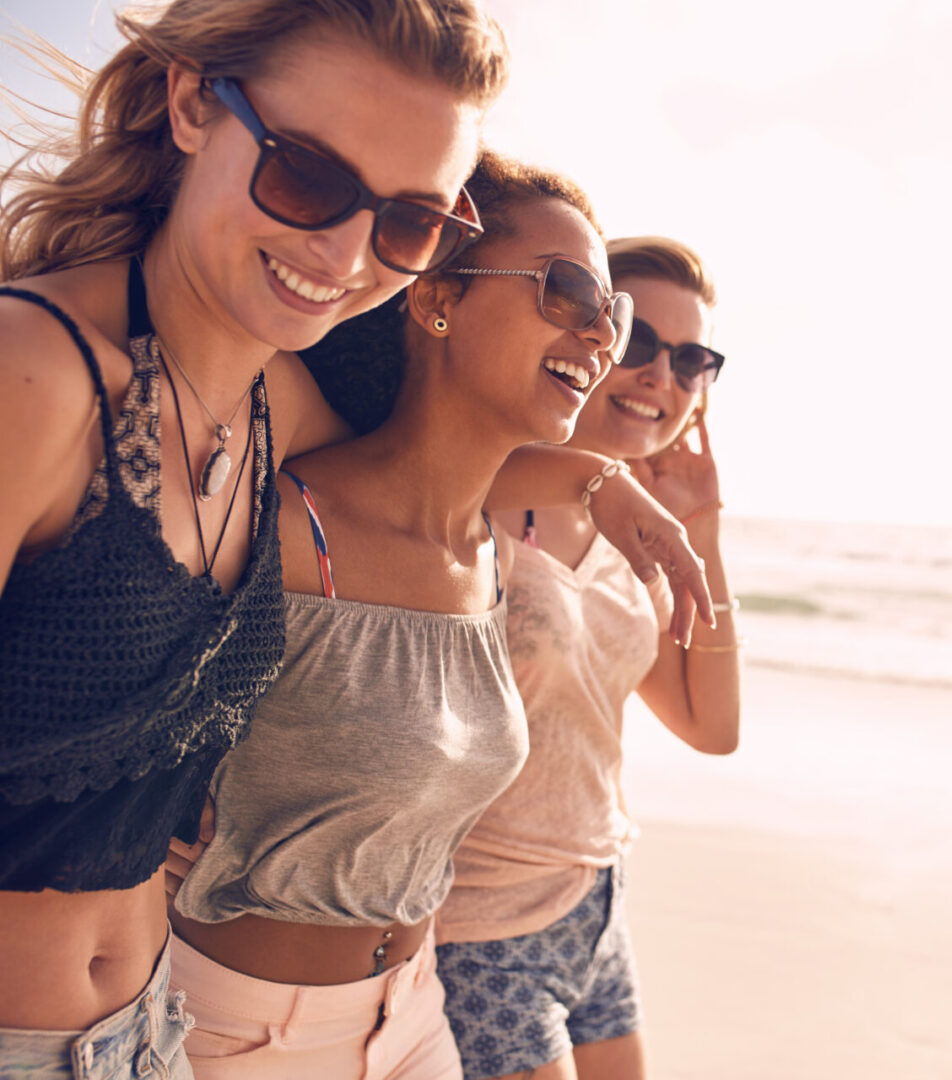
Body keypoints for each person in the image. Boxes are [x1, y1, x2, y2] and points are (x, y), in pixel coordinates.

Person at [0, 1, 505, 1075]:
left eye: (409, 223)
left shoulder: (279, 397)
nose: (347, 252)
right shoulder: (33, 375)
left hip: (150, 1034)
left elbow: (446, 450)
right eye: (309, 178)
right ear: (191, 103)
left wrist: (632, 494)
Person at [164, 153, 711, 1080]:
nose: (599, 336)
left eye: (608, 316)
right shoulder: (285, 519)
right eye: (568, 292)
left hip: (417, 1013)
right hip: (238, 1034)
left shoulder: (488, 558)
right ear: (435, 298)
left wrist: (605, 477)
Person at [433, 236, 740, 1080]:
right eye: (639, 343)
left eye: (691, 362)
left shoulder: (633, 543)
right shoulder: (475, 492)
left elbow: (712, 728)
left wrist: (702, 532)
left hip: (599, 905)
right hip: (480, 928)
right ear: (589, 337)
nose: (660, 378)